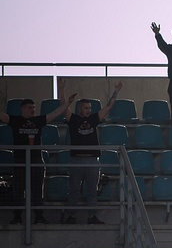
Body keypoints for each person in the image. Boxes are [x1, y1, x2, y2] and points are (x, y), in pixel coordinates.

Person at [0, 87, 76, 224]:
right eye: (30, 107)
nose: (33, 110)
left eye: (34, 107)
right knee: (19, 189)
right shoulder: (16, 120)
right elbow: (2, 116)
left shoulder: (38, 120)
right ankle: (17, 216)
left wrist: (68, 103)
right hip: (20, 160)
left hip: (36, 159)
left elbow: (55, 113)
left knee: (37, 190)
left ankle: (39, 216)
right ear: (23, 109)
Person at [63, 81, 120, 224]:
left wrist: (116, 92)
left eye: (89, 108)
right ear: (79, 108)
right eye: (85, 108)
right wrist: (61, 89)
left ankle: (91, 216)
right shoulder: (73, 119)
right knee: (74, 190)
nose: (88, 110)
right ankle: (71, 216)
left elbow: (108, 106)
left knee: (92, 190)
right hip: (76, 160)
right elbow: (64, 108)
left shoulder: (94, 118)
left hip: (93, 160)